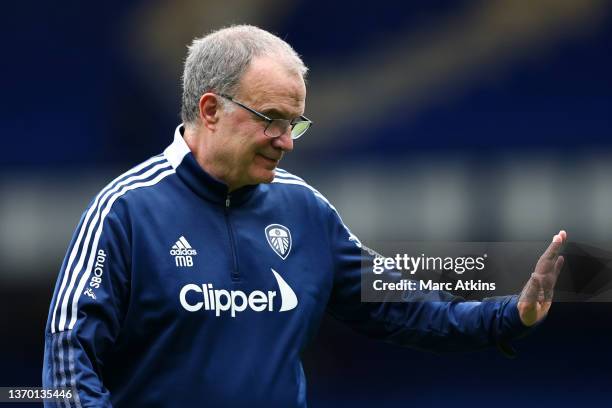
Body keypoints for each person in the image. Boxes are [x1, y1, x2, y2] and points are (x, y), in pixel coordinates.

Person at [43, 25, 566, 407]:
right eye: (272, 120)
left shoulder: (306, 211)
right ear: (209, 110)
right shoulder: (126, 211)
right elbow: (69, 362)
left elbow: (404, 308)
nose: (287, 142)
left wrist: (508, 313)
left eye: (296, 123)